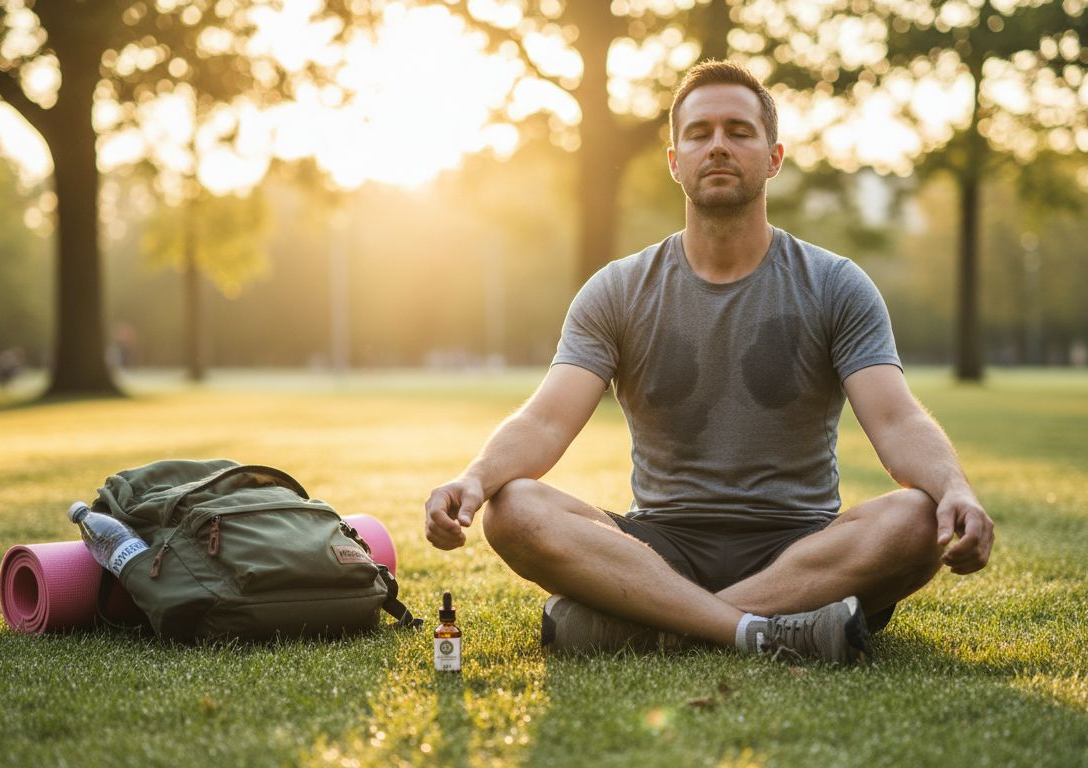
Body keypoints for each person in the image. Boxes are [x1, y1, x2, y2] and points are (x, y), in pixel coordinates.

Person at [423, 60, 994, 665]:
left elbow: (897, 420)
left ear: (773, 157)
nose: (718, 146)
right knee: (514, 510)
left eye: (738, 131)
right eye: (699, 133)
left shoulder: (836, 285)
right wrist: (475, 480)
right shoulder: (617, 290)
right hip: (661, 543)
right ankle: (760, 629)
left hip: (802, 548)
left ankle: (651, 623)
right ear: (675, 161)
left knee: (915, 517)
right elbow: (544, 422)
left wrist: (954, 486)